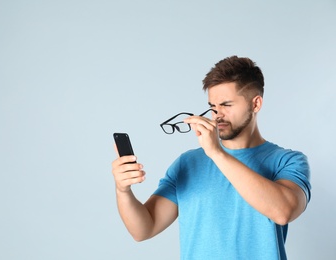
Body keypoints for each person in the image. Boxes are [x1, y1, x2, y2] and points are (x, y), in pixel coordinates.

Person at [111, 56, 311, 259]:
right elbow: (144, 229)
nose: (217, 115)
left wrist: (216, 153)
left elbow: (283, 211)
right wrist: (123, 190)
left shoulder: (288, 160)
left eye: (227, 105)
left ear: (256, 104)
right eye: (212, 106)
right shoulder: (187, 163)